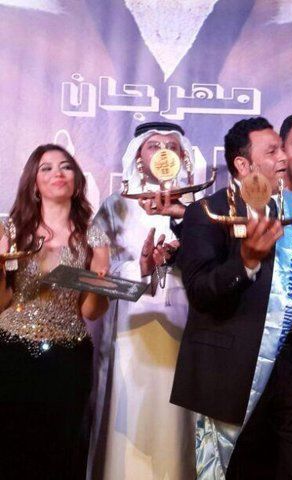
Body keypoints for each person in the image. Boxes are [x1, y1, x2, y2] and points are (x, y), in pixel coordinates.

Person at [171, 117, 292, 479]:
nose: (284, 157)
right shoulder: (207, 212)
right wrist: (245, 262)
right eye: (273, 151)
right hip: (234, 370)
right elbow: (200, 291)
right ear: (243, 165)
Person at [88, 122, 199, 479]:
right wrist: (142, 267)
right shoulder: (114, 206)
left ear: (182, 157)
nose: (163, 153)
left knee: (177, 422)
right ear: (139, 156)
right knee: (129, 413)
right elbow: (100, 274)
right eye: (154, 146)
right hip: (130, 325)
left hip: (185, 325)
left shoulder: (197, 209)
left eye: (171, 147)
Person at [0, 144, 110, 479]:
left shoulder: (93, 235)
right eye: (46, 168)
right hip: (11, 351)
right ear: (34, 183)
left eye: (65, 166)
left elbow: (92, 311)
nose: (57, 173)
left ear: (76, 181)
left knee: (63, 448)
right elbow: (2, 302)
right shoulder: (11, 230)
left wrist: (99, 283)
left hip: (68, 357)